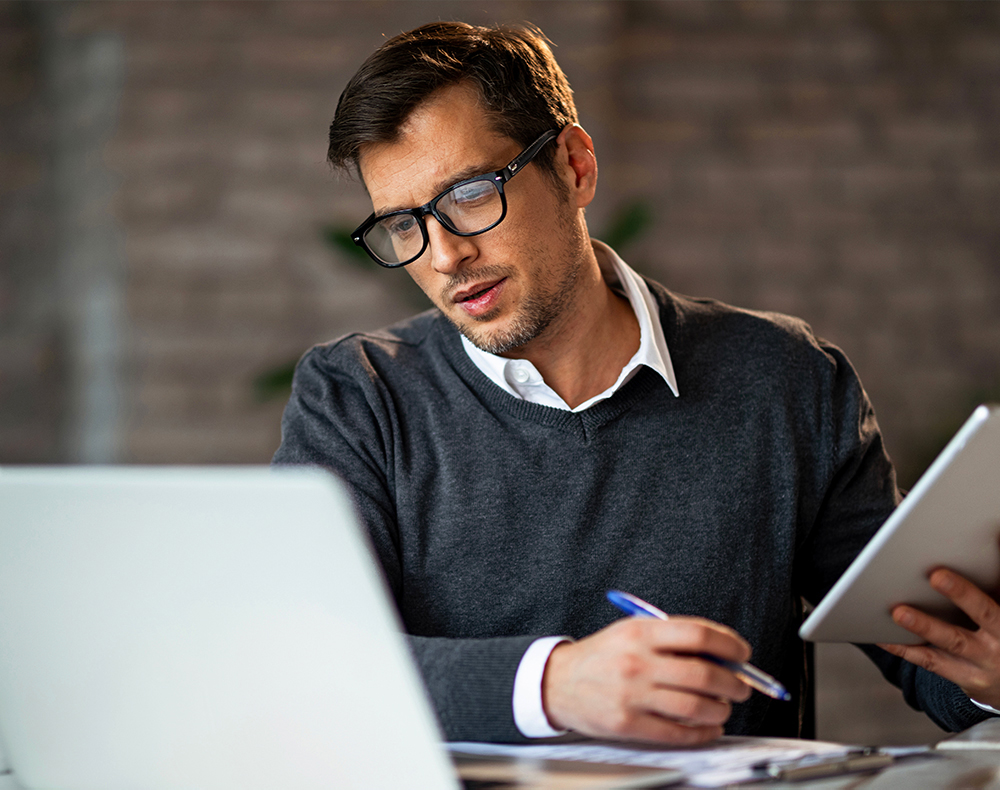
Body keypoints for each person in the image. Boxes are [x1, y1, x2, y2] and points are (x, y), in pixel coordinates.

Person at [273, 21, 1000, 744]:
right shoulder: (357, 395)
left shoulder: (786, 380)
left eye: (468, 194)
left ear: (575, 166)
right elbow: (303, 667)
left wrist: (991, 675)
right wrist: (555, 686)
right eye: (404, 225)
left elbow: (932, 657)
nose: (445, 256)